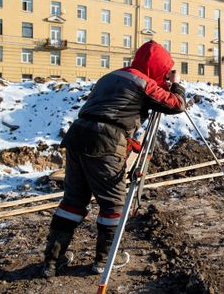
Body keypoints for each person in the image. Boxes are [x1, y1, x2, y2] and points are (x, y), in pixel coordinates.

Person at [42, 41, 186, 277]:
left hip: (77, 136)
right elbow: (176, 105)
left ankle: (52, 260)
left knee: (73, 201)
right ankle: (105, 259)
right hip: (105, 142)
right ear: (158, 67)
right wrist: (176, 85)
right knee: (113, 204)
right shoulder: (144, 82)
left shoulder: (111, 76)